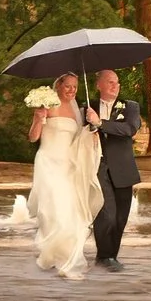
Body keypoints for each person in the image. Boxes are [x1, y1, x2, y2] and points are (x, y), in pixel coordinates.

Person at [28, 71, 102, 280]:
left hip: (69, 165)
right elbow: (33, 138)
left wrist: (93, 126)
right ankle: (52, 250)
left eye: (75, 87)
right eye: (68, 86)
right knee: (52, 210)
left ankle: (68, 254)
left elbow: (81, 139)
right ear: (58, 86)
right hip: (49, 162)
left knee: (72, 211)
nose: (72, 90)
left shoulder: (77, 110)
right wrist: (37, 118)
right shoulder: (46, 106)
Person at [89, 67, 142, 267]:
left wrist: (100, 123)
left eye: (117, 82)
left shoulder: (130, 107)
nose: (115, 86)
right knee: (106, 213)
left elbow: (130, 129)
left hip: (123, 169)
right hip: (98, 167)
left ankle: (111, 255)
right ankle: (104, 256)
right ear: (98, 85)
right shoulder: (88, 106)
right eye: (110, 82)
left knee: (120, 217)